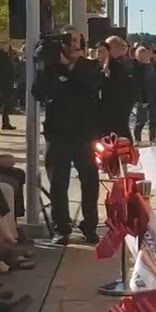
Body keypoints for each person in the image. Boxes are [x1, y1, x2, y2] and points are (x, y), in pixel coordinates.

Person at [32, 27, 102, 245]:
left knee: (89, 181)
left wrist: (67, 70)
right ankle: (61, 227)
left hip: (85, 134)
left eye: (77, 40)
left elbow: (87, 87)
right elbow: (40, 93)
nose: (74, 44)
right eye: (68, 40)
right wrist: (47, 64)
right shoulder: (51, 68)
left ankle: (89, 225)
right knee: (58, 183)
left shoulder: (90, 66)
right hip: (58, 133)